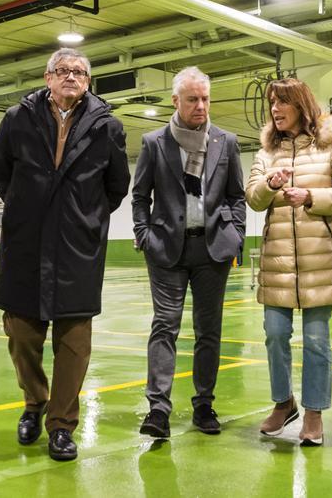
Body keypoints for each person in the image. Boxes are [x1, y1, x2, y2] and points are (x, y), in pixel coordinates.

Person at [0, 46, 130, 462]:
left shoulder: (108, 127)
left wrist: (85, 216)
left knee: (73, 343)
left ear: (88, 82)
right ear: (47, 77)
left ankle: (62, 425)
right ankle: (34, 402)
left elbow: (116, 185)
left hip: (76, 245)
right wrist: (22, 205)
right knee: (21, 334)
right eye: (63, 70)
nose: (72, 77)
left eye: (80, 72)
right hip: (26, 241)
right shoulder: (18, 118)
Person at [245, 78, 332, 446]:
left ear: (302, 105)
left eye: (283, 103)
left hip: (321, 261)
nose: (276, 110)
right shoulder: (265, 154)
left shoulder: (331, 147)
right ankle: (284, 404)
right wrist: (271, 184)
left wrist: (311, 195)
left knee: (316, 340)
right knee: (275, 335)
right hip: (278, 263)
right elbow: (253, 198)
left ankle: (313, 412)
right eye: (272, 103)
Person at [132, 66, 245, 439]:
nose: (200, 106)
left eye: (205, 99)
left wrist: (236, 235)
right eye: (193, 99)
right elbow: (139, 197)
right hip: (166, 249)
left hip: (212, 250)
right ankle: (158, 410)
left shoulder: (225, 142)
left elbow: (236, 196)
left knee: (208, 331)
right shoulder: (154, 142)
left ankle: (204, 404)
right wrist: (144, 235)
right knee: (164, 326)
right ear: (176, 101)